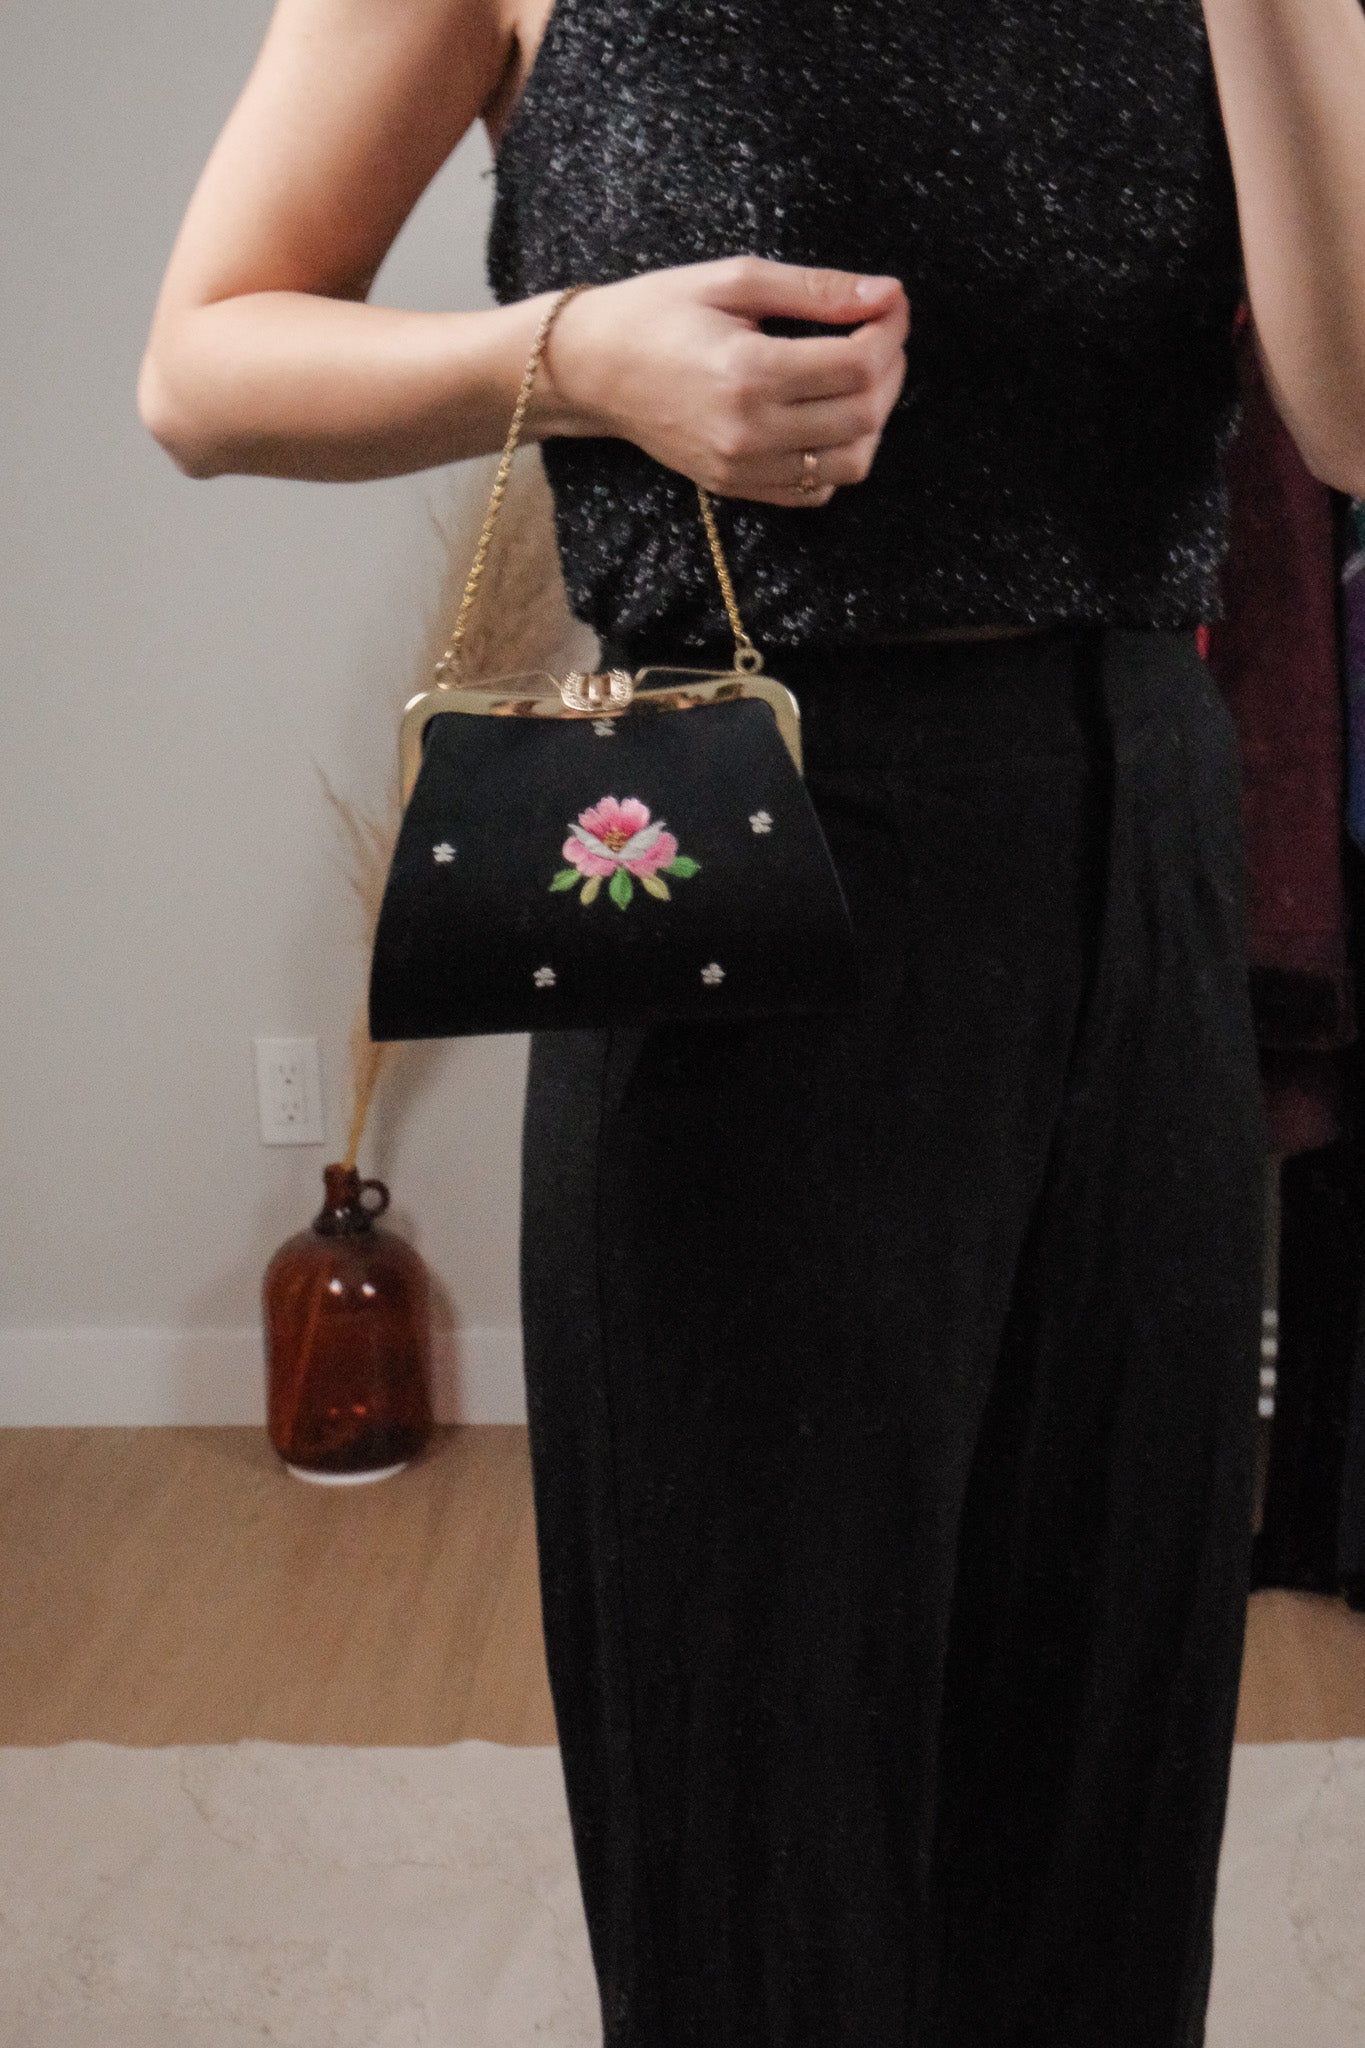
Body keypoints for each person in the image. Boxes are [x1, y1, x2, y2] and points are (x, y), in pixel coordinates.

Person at [139, 3, 1365, 2043]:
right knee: (755, 1780)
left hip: (1137, 847)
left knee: (1102, 1778)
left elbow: (1352, 420)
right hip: (734, 859)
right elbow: (200, 365)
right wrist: (572, 360)